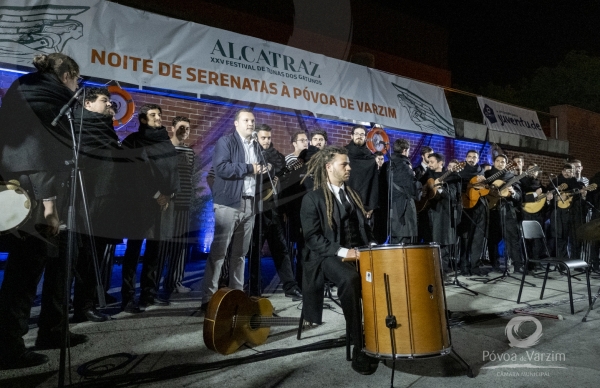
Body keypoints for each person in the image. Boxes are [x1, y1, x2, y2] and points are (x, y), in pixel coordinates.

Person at [0, 53, 88, 369]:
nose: (77, 86)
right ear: (66, 74)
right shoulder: (42, 92)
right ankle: (8, 346)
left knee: (63, 258)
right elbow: (39, 149)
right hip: (36, 191)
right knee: (26, 269)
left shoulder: (29, 87)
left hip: (33, 185)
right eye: (76, 80)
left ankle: (52, 330)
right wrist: (49, 204)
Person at [300, 146, 379, 375]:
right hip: (326, 256)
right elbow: (313, 239)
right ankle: (359, 344)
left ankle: (381, 334)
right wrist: (344, 252)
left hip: (358, 251)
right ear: (328, 167)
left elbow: (364, 229)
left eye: (348, 164)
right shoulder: (312, 198)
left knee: (384, 273)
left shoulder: (352, 194)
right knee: (350, 279)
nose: (349, 168)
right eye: (344, 164)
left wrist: (373, 246)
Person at [201, 109, 268, 310]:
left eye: (253, 120)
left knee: (240, 254)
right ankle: (208, 298)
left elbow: (256, 172)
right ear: (236, 124)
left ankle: (236, 295)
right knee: (219, 252)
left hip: (250, 203)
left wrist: (264, 169)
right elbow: (222, 168)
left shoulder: (256, 146)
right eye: (246, 120)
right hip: (229, 203)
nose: (251, 123)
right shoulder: (226, 142)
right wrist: (250, 168)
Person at [120, 104, 180, 312]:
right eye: (153, 115)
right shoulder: (133, 141)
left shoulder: (165, 142)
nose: (158, 118)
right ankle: (127, 298)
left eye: (159, 115)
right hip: (140, 204)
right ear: (143, 120)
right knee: (133, 251)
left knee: (155, 251)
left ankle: (149, 294)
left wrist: (170, 194)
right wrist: (156, 195)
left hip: (164, 206)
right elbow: (135, 173)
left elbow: (173, 171)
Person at [71, 86, 121, 323]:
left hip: (106, 200)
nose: (109, 105)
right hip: (85, 199)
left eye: (110, 101)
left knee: (95, 254)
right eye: (104, 100)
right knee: (82, 255)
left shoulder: (104, 127)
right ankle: (80, 306)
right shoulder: (79, 127)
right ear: (87, 103)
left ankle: (85, 303)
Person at [249, 124, 302, 299]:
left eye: (268, 138)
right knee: (255, 250)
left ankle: (290, 287)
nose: (266, 141)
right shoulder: (251, 153)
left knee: (281, 250)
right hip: (256, 210)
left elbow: (284, 184)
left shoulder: (278, 157)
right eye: (263, 138)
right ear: (256, 138)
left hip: (274, 210)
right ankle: (254, 288)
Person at [158, 116, 196, 299]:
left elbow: (189, 178)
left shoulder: (190, 152)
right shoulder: (166, 148)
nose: (184, 131)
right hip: (169, 203)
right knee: (164, 244)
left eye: (187, 128)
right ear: (173, 128)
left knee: (180, 245)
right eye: (181, 127)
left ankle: (175, 282)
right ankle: (156, 282)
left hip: (185, 203)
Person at [420, 153, 461, 278]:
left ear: (440, 163)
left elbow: (453, 196)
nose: (429, 164)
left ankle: (442, 273)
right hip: (427, 213)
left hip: (442, 215)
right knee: (428, 243)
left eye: (432, 161)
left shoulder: (452, 177)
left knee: (442, 244)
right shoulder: (426, 176)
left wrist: (441, 190)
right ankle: (429, 271)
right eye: (429, 161)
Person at [485, 155, 523, 273]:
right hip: (492, 211)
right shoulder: (487, 175)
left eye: (503, 162)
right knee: (493, 239)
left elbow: (519, 196)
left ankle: (518, 265)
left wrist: (513, 193)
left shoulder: (511, 177)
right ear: (494, 162)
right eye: (498, 161)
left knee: (512, 239)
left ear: (506, 164)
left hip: (507, 211)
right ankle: (494, 264)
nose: (500, 163)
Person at [457, 150, 489, 275]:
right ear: (465, 158)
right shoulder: (461, 170)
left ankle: (475, 266)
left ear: (478, 159)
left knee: (478, 238)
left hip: (480, 206)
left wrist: (485, 182)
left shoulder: (481, 172)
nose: (471, 159)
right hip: (467, 206)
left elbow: (485, 189)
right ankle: (464, 266)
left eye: (474, 157)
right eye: (469, 157)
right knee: (466, 237)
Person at [387, 139, 420, 243]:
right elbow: (413, 190)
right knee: (406, 247)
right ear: (405, 150)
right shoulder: (404, 166)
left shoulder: (387, 165)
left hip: (391, 211)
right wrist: (416, 179)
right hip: (404, 215)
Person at [521, 163, 553, 268]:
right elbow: (522, 197)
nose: (533, 172)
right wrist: (535, 194)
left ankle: (536, 262)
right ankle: (527, 262)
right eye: (531, 170)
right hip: (526, 213)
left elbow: (543, 202)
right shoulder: (522, 182)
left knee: (538, 238)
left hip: (539, 214)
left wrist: (547, 200)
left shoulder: (540, 185)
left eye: (535, 170)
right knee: (528, 239)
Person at [551, 164, 585, 260]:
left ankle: (576, 261)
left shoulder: (579, 185)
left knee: (576, 239)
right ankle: (562, 263)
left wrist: (584, 195)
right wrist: (557, 197)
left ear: (573, 172)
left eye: (569, 171)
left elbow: (582, 202)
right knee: (561, 239)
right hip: (560, 215)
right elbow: (548, 196)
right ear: (562, 172)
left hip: (574, 215)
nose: (567, 173)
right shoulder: (555, 182)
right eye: (565, 171)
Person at [345, 125, 379, 220]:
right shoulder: (343, 153)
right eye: (356, 134)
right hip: (345, 199)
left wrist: (371, 205)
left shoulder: (371, 159)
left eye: (362, 134)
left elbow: (374, 183)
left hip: (364, 202)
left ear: (365, 137)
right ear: (351, 136)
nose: (359, 136)